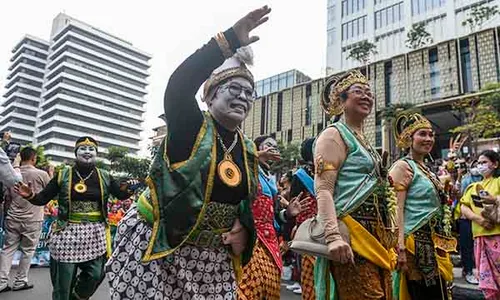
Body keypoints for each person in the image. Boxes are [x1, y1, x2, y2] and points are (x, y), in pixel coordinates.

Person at [105, 7, 271, 300]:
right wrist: (229, 40)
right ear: (210, 94)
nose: (243, 97)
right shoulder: (191, 127)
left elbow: (244, 204)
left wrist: (243, 230)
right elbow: (179, 86)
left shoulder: (246, 149)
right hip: (163, 252)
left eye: (249, 92)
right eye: (234, 88)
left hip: (214, 262)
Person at [14, 137, 137, 300]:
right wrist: (30, 195)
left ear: (96, 154)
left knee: (95, 275)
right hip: (67, 233)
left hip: (95, 235)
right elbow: (42, 198)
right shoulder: (62, 175)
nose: (87, 152)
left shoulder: (105, 176)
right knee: (64, 283)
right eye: (83, 149)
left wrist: (130, 188)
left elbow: (120, 195)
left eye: (91, 149)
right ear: (76, 153)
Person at [313, 70, 397, 300]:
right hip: (351, 235)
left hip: (377, 237)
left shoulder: (365, 141)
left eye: (369, 93)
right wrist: (333, 236)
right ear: (341, 101)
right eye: (358, 91)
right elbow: (323, 189)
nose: (367, 96)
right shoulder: (333, 135)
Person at [390, 113, 456, 300]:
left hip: (435, 241)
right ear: (409, 138)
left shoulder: (426, 168)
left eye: (431, 134)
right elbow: (396, 209)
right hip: (415, 245)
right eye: (422, 134)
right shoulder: (403, 166)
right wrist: (400, 246)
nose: (429, 139)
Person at [238, 135, 307, 299]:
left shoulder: (270, 181)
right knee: (248, 288)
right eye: (268, 145)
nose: (272, 149)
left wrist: (288, 213)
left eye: (275, 147)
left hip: (271, 241)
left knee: (270, 286)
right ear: (256, 149)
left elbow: (276, 215)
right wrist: (254, 157)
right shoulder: (246, 170)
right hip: (250, 239)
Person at [0, 147, 50, 292]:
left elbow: (7, 196)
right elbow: (49, 193)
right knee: (28, 251)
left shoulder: (11, 172)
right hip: (33, 218)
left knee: (7, 249)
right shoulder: (42, 174)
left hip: (13, 216)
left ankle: (2, 282)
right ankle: (20, 281)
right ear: (34, 158)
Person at [460, 150, 500, 300]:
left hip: (497, 235)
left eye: (484, 162)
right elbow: (464, 207)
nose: (480, 166)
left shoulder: (498, 182)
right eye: (479, 163)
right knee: (487, 282)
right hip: (480, 236)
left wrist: (495, 199)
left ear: (495, 164)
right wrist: (479, 219)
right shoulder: (473, 186)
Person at [457, 160, 482, 285]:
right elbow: (461, 199)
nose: (478, 167)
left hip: (482, 219)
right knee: (467, 246)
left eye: (482, 163)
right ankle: (468, 270)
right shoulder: (466, 181)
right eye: (476, 164)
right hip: (466, 218)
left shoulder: (489, 181)